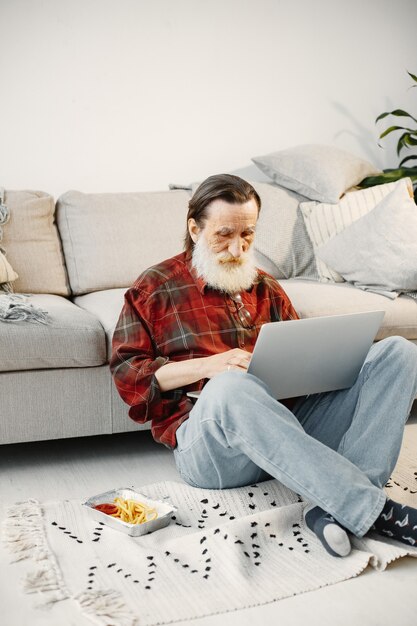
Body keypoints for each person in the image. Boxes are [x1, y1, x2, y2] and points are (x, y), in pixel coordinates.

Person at [110, 173, 417, 557]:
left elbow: (303, 359)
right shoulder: (154, 287)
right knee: (229, 387)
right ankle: (376, 512)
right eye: (224, 234)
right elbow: (128, 374)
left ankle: (337, 505)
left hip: (285, 428)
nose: (237, 248)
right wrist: (211, 367)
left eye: (248, 235)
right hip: (212, 451)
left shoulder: (266, 287)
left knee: (398, 353)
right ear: (194, 228)